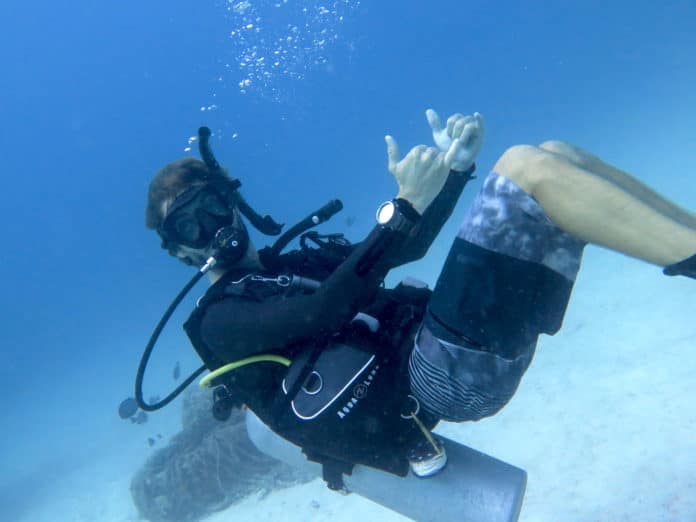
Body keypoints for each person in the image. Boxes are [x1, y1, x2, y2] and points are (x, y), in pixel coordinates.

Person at [144, 110, 696, 489]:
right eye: (190, 227)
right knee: (528, 169)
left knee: (554, 154)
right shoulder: (217, 321)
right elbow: (323, 311)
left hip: (445, 352)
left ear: (232, 202)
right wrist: (404, 203)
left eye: (213, 207)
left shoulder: (290, 265)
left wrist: (456, 172)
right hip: (435, 381)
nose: (212, 228)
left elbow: (398, 251)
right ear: (178, 255)